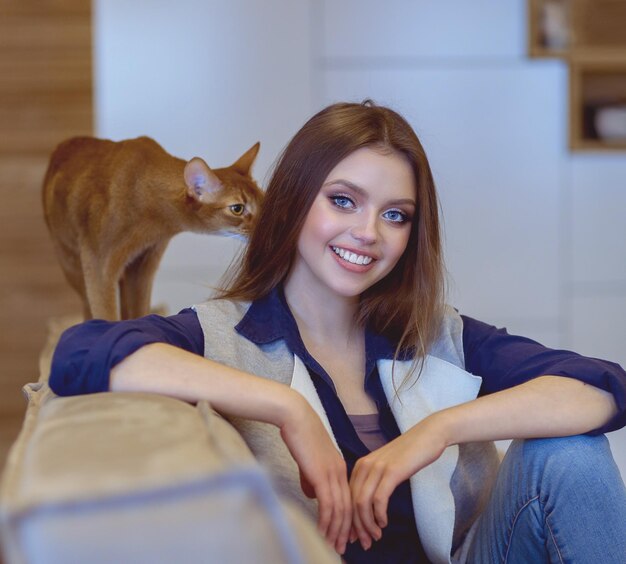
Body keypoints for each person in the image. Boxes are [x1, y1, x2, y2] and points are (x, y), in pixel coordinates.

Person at [49, 101, 626, 563]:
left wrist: (436, 431)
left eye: (395, 214)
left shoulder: (434, 334)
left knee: (569, 454)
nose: (368, 232)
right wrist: (287, 409)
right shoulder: (222, 335)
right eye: (344, 201)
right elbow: (83, 353)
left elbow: (602, 387)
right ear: (295, 203)